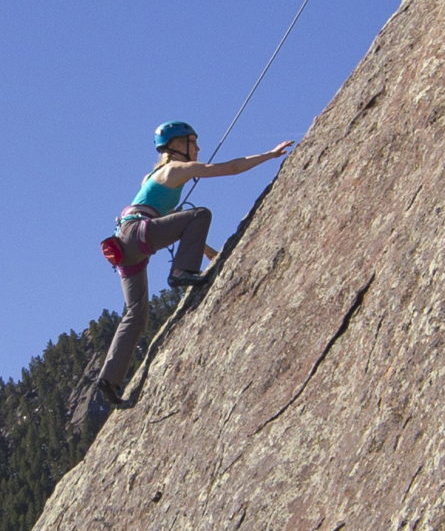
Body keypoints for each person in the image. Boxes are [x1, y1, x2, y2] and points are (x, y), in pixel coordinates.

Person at [87, 121, 295, 413]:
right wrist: (270, 155)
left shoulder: (154, 176)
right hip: (139, 233)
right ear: (177, 145)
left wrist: (211, 254)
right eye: (193, 142)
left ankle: (109, 379)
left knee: (136, 314)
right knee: (200, 214)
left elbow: (178, 227)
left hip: (125, 245)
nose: (198, 147)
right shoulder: (176, 169)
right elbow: (232, 168)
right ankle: (180, 273)